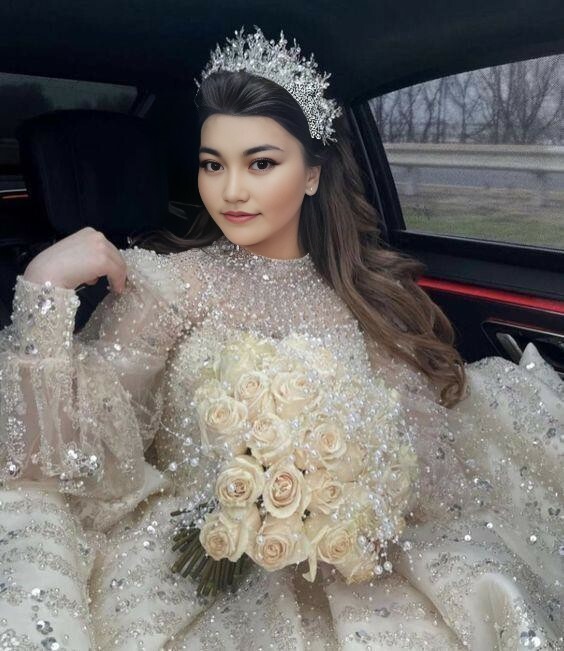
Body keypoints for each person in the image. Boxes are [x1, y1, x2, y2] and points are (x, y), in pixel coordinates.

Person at [0, 25, 562, 651]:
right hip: (197, 565)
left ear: (313, 174)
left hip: (349, 568)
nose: (231, 190)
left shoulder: (359, 297)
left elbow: (417, 459)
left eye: (261, 163)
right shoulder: (166, 286)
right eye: (213, 164)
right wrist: (43, 290)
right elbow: (84, 460)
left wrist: (353, 503)